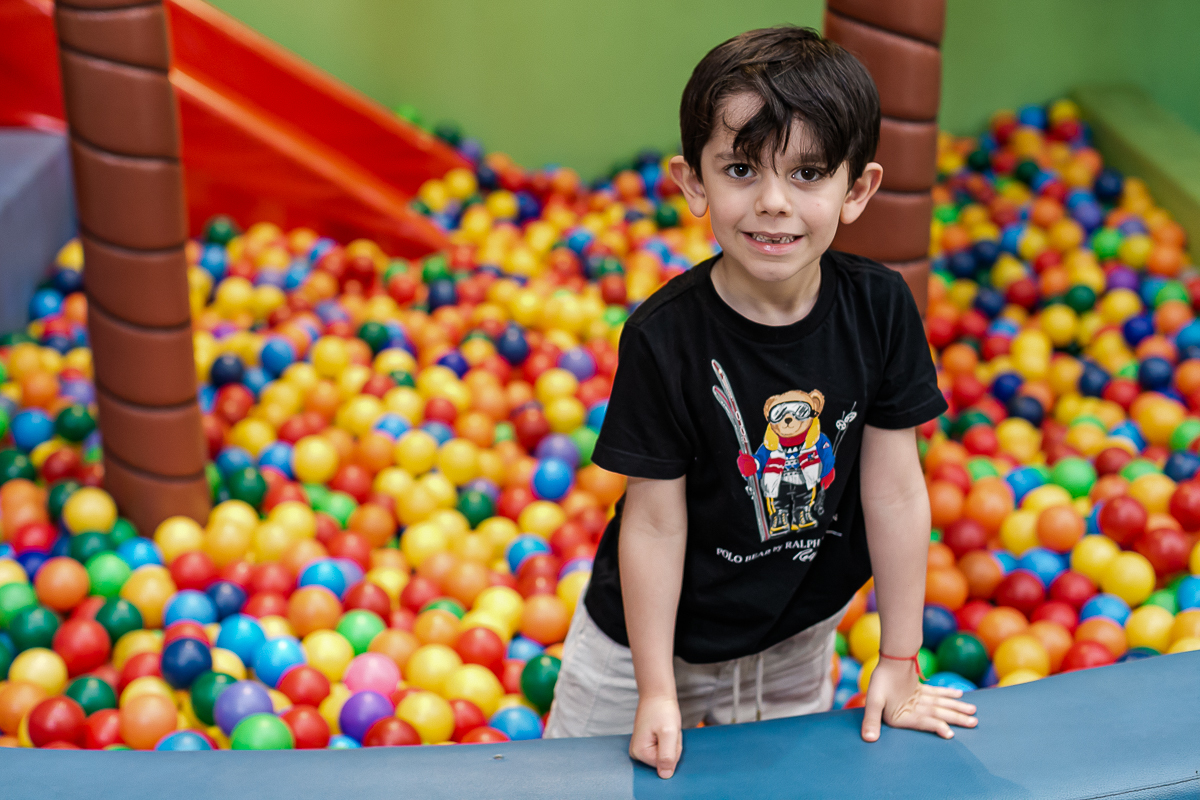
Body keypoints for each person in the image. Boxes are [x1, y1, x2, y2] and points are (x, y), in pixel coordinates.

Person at [542, 25, 978, 777]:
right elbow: (652, 523)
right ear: (692, 183)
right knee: (580, 785)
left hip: (793, 637)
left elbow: (897, 493)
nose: (773, 202)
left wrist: (900, 659)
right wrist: (653, 691)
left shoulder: (878, 311)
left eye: (808, 174)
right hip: (643, 643)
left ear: (858, 190)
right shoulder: (663, 337)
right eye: (741, 168)